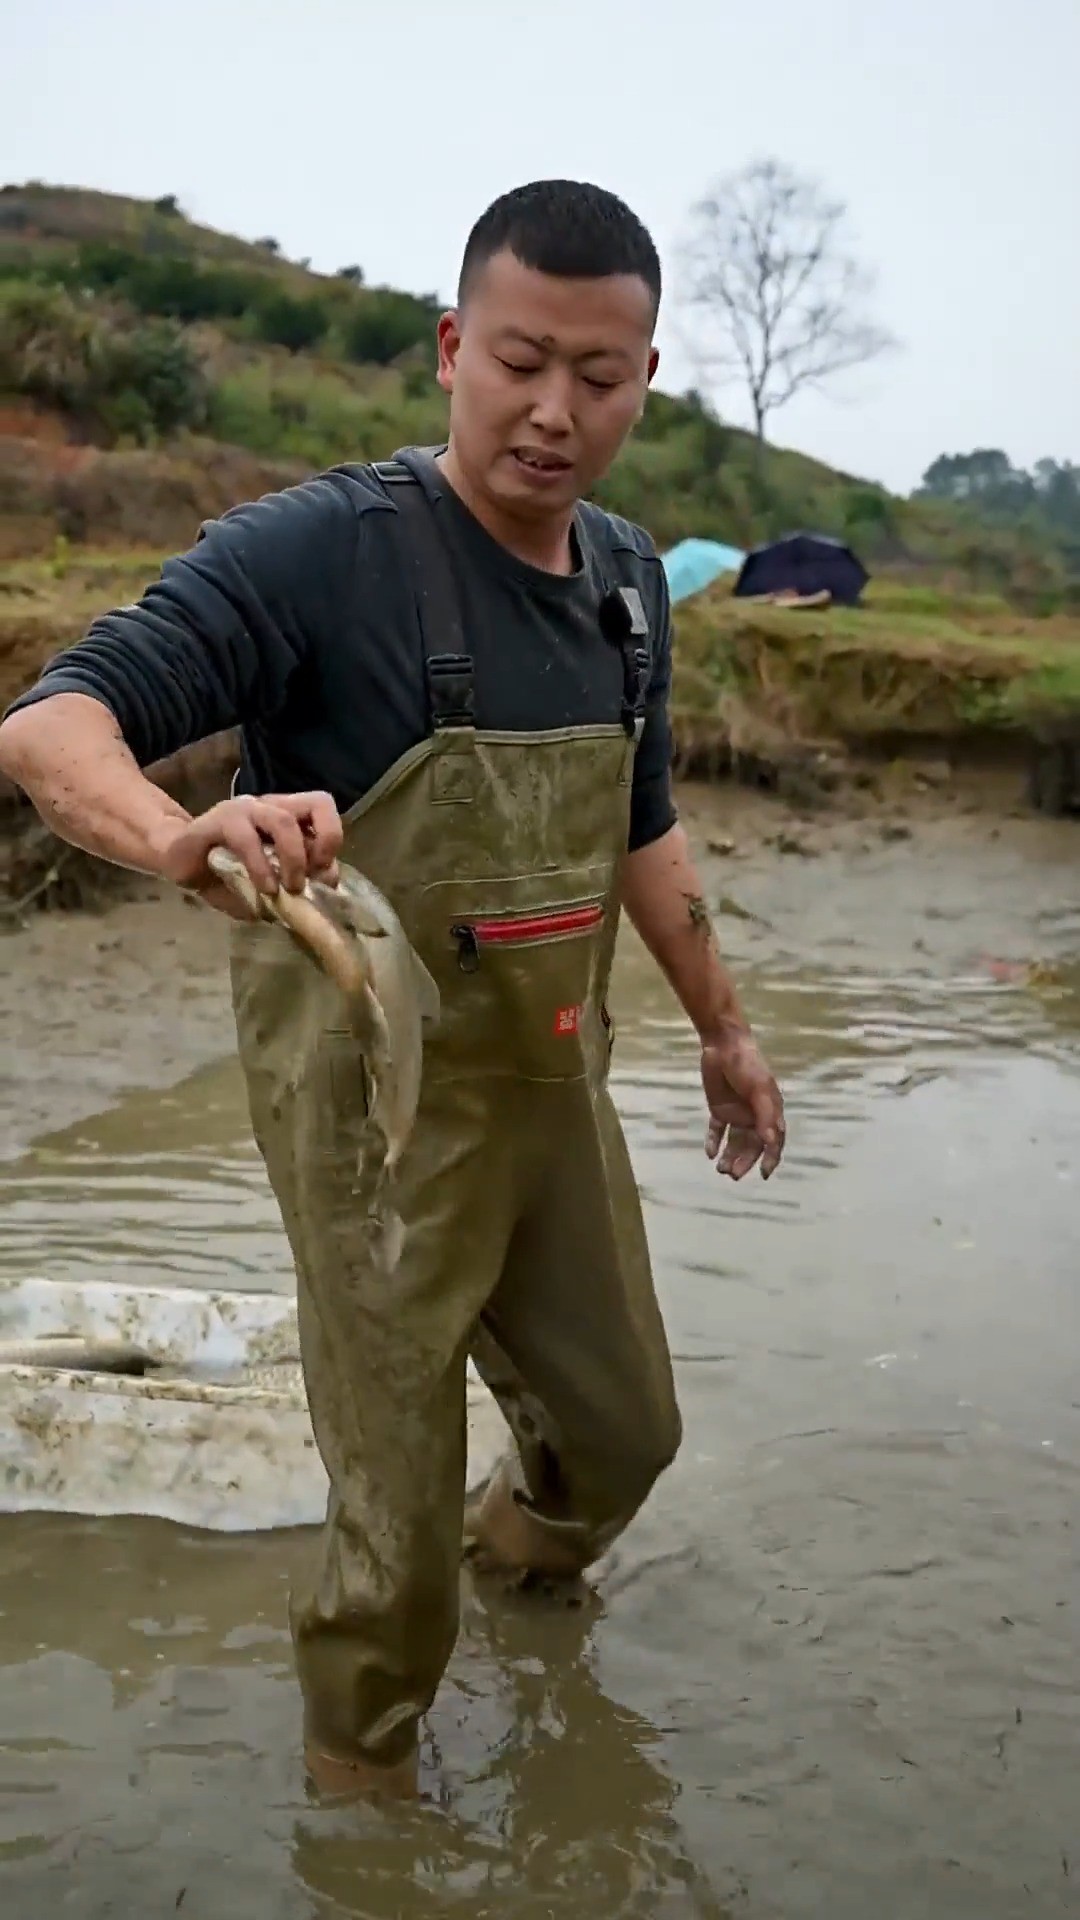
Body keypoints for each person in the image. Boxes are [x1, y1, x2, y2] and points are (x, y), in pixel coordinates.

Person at [0, 178, 786, 1800]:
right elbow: (49, 726)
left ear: (646, 380)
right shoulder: (318, 555)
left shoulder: (632, 583)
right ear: (450, 349)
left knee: (625, 1434)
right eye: (519, 361)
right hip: (376, 1121)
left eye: (599, 374)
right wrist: (183, 831)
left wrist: (724, 1028)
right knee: (390, 1538)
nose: (554, 411)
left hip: (552, 1084)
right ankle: (364, 1815)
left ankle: (529, 1618)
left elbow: (643, 824)